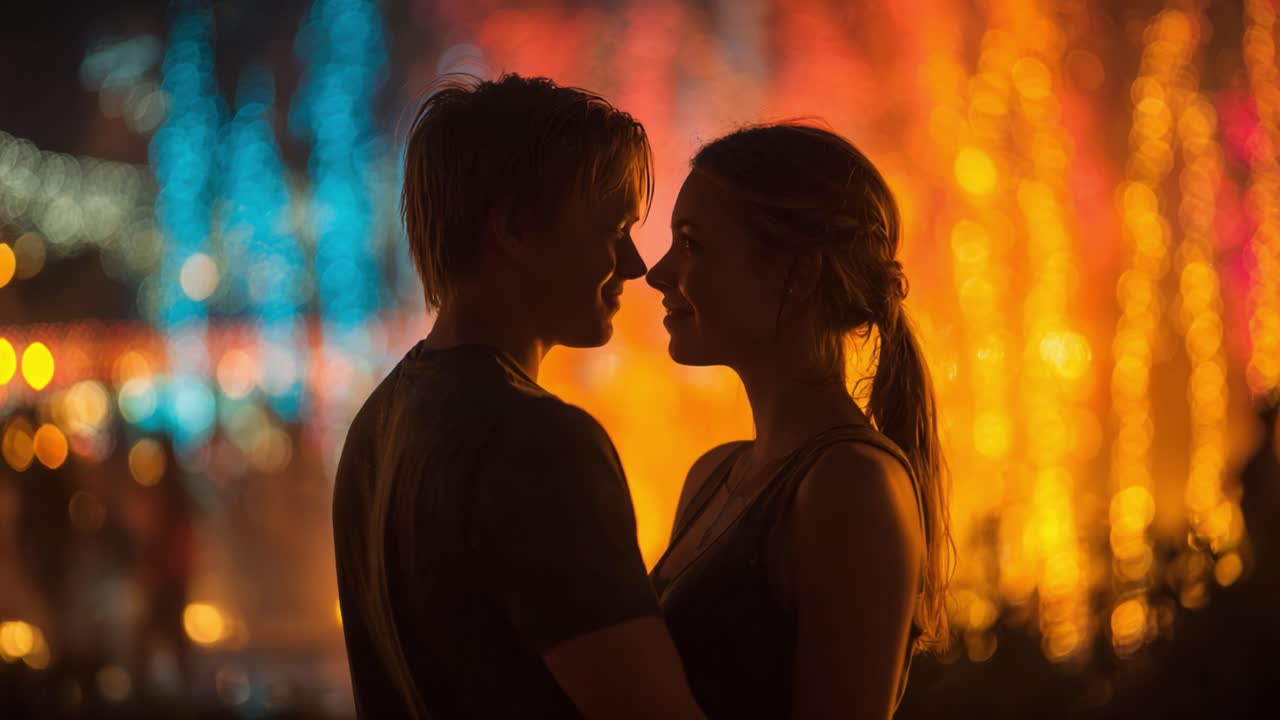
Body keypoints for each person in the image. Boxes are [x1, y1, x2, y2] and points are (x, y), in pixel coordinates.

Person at [332, 74, 703, 719]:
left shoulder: (376, 426)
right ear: (512, 228)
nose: (635, 264)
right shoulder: (540, 445)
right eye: (611, 227)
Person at [646, 122, 953, 718]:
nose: (658, 273)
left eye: (693, 244)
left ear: (798, 272)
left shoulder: (851, 486)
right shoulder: (712, 475)